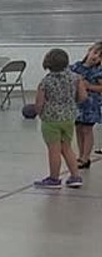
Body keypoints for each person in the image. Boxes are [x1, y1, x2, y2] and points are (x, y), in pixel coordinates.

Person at [32, 48, 86, 188]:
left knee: (54, 150)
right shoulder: (76, 78)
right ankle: (75, 176)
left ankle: (54, 178)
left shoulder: (45, 82)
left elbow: (39, 103)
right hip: (69, 118)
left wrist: (37, 113)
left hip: (51, 120)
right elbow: (83, 96)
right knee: (67, 148)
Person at [70, 41, 102, 169]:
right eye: (95, 52)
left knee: (87, 130)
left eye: (100, 56)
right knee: (78, 129)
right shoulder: (75, 67)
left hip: (91, 105)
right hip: (77, 104)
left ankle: (86, 157)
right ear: (89, 50)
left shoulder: (98, 71)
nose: (95, 57)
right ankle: (81, 154)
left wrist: (89, 86)